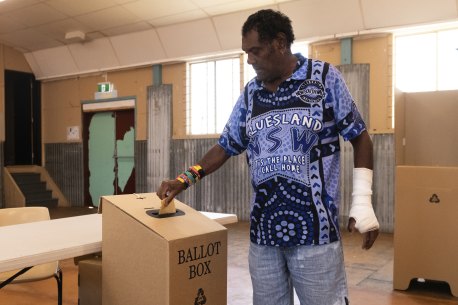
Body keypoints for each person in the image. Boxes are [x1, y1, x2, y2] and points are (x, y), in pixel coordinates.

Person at [157, 9, 379, 305]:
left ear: (280, 43)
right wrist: (185, 178)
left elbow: (360, 136)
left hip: (315, 236)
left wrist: (362, 201)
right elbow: (226, 145)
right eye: (246, 52)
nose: (249, 59)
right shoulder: (251, 94)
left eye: (255, 51)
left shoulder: (323, 78)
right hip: (263, 236)